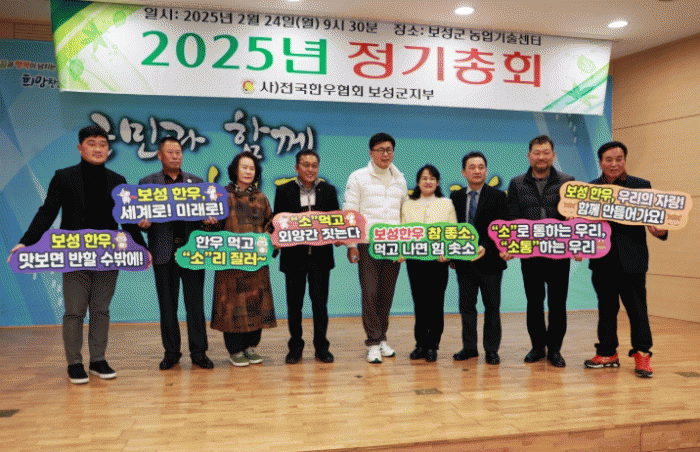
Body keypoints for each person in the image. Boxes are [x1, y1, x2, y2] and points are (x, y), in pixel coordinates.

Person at [7, 125, 148, 384]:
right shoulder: (64, 177)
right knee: (74, 311)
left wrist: (141, 248)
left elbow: (127, 220)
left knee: (101, 310)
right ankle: (74, 363)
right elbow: (47, 212)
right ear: (80, 148)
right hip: (73, 256)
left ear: (108, 149)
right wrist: (26, 242)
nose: (98, 149)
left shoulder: (118, 181)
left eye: (103, 144)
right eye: (92, 143)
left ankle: (98, 360)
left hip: (108, 257)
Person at [584, 141, 668, 378]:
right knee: (606, 308)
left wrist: (661, 231)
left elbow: (657, 222)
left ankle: (642, 354)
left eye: (619, 159)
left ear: (625, 160)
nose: (614, 164)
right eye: (609, 160)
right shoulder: (590, 189)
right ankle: (607, 353)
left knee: (637, 309)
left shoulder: (641, 187)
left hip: (633, 260)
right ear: (601, 162)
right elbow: (583, 226)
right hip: (602, 260)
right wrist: (579, 244)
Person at [138, 136, 215, 371]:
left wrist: (208, 221)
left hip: (191, 252)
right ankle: (171, 353)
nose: (175, 156)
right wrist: (144, 223)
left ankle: (199, 353)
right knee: (167, 306)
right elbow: (139, 217)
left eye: (178, 152)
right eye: (170, 152)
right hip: (163, 252)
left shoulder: (197, 183)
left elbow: (206, 219)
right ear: (160, 155)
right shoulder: (147, 184)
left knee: (195, 305)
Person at [506, 135, 575, 367]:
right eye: (537, 153)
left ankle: (555, 350)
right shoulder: (517, 183)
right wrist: (511, 246)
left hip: (559, 255)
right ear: (529, 156)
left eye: (546, 152)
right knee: (534, 302)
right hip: (530, 255)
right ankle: (537, 347)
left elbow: (574, 219)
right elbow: (513, 219)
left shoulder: (568, 181)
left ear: (553, 156)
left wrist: (576, 242)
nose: (541, 157)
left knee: (558, 303)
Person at [344, 132, 408, 364]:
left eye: (389, 150)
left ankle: (381, 338)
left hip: (393, 246)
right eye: (380, 150)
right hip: (367, 245)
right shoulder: (358, 177)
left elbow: (405, 214)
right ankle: (372, 342)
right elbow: (350, 211)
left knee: (386, 294)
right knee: (370, 293)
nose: (385, 154)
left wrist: (404, 246)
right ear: (371, 153)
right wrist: (351, 244)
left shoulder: (400, 179)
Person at [210, 151, 276, 367]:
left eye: (252, 168)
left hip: (256, 263)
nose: (248, 171)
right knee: (232, 305)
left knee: (256, 302)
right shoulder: (222, 195)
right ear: (235, 170)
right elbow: (213, 229)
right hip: (230, 263)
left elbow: (271, 223)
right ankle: (235, 350)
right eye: (244, 167)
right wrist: (210, 222)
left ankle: (251, 347)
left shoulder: (261, 197)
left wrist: (268, 236)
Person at [273, 150, 339, 364]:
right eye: (305, 165)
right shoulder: (284, 191)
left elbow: (336, 222)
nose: (310, 169)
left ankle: (322, 347)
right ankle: (295, 347)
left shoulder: (328, 191)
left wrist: (340, 237)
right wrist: (276, 239)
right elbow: (278, 221)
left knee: (320, 306)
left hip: (320, 258)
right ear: (296, 167)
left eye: (314, 165)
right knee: (294, 306)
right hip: (293, 258)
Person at [451, 152, 509, 365]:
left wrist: (485, 245)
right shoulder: (455, 197)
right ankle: (469, 348)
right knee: (467, 307)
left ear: (486, 170)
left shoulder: (498, 196)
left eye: (481, 167)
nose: (477, 171)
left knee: (492, 307)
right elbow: (452, 229)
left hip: (491, 262)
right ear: (463, 172)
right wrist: (452, 254)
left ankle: (491, 350)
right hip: (464, 263)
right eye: (472, 167)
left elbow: (501, 227)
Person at [401, 164, 456, 362]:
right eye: (424, 178)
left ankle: (433, 345)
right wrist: (402, 252)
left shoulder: (446, 203)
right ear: (418, 182)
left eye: (432, 178)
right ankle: (420, 344)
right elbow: (402, 231)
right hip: (415, 261)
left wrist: (447, 254)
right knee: (420, 303)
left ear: (438, 182)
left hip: (438, 261)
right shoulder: (408, 204)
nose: (428, 181)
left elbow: (453, 231)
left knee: (436, 303)